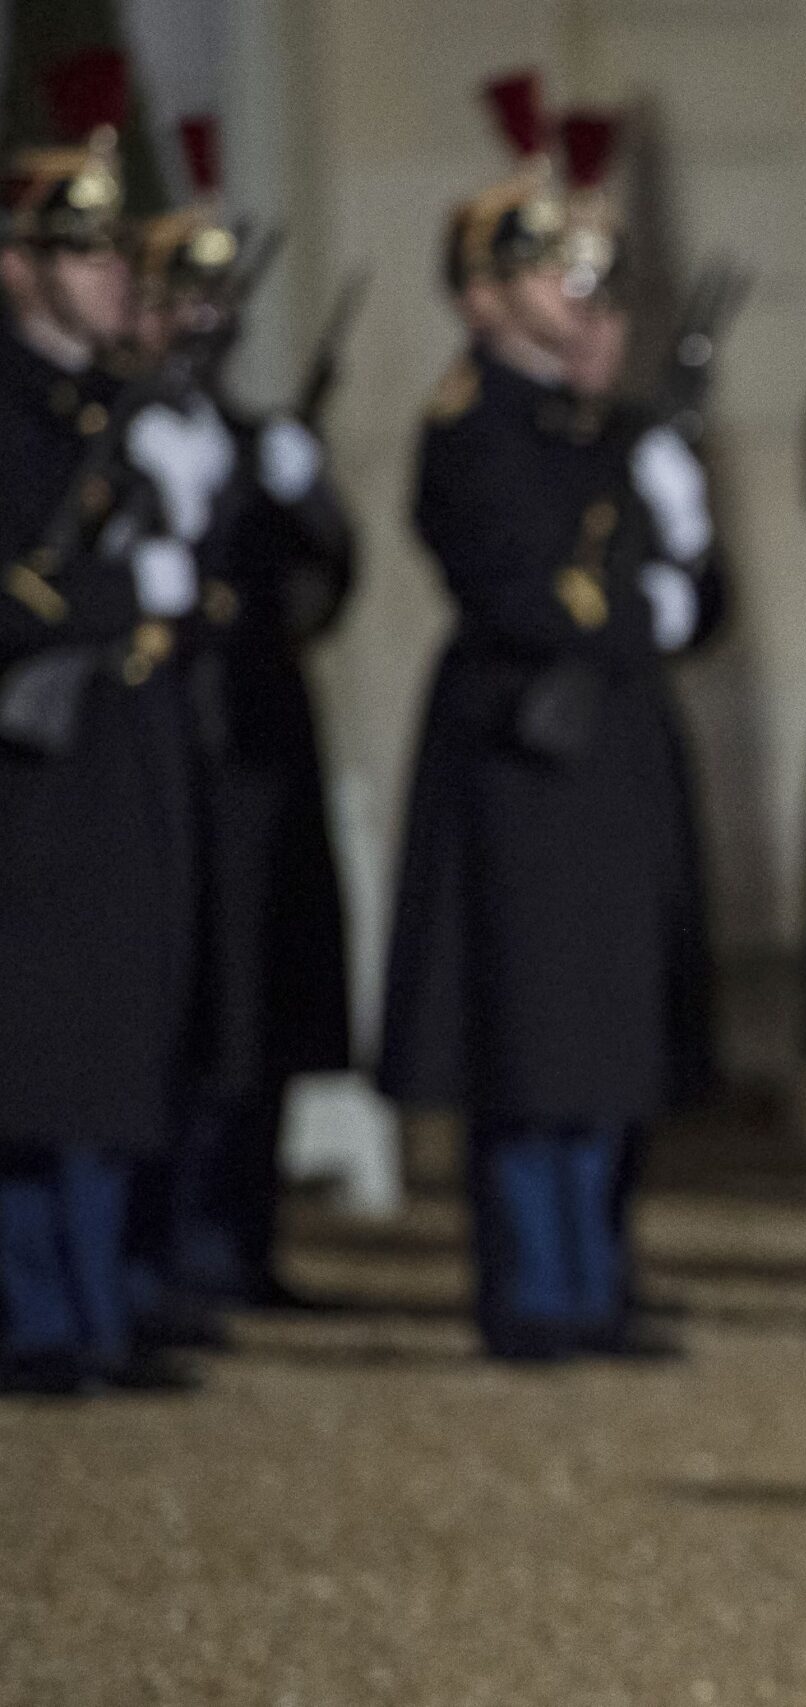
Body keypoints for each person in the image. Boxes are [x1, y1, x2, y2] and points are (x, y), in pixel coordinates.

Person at [380, 77, 723, 1359]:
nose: (580, 295)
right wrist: (652, 600)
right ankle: (538, 1285)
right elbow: (528, 594)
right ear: (479, 297)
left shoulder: (609, 428)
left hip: (616, 749)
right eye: (544, 273)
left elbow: (705, 597)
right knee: (532, 1030)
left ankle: (602, 1267)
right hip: (529, 749)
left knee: (614, 1023)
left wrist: (675, 553)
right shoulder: (470, 429)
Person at [0, 53, 209, 1395]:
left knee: (117, 1028)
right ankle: (33, 1312)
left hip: (116, 747)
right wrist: (105, 584)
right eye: (78, 251)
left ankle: (101, 1297)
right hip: (30, 763)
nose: (114, 274)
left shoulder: (106, 403)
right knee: (35, 1042)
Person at [126, 115, 358, 1313]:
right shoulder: (124, 439)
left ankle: (244, 1236)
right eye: (185, 304)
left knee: (264, 995)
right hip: (172, 741)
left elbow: (327, 590)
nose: (207, 329)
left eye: (222, 308)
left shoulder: (258, 440)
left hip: (262, 742)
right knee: (178, 1001)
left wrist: (303, 502)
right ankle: (161, 1249)